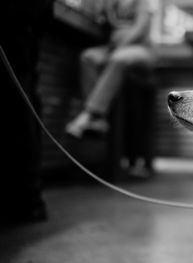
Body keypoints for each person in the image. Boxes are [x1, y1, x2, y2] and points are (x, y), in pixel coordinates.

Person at [65, 0, 156, 138]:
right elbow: (95, 12)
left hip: (141, 49)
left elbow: (140, 29)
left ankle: (90, 113)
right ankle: (98, 120)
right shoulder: (111, 3)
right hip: (114, 49)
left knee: (118, 58)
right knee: (88, 57)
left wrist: (121, 45)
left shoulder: (141, 2)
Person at [1, 0, 53, 224]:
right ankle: (29, 198)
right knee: (24, 93)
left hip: (17, 16)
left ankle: (28, 199)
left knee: (19, 99)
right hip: (28, 17)